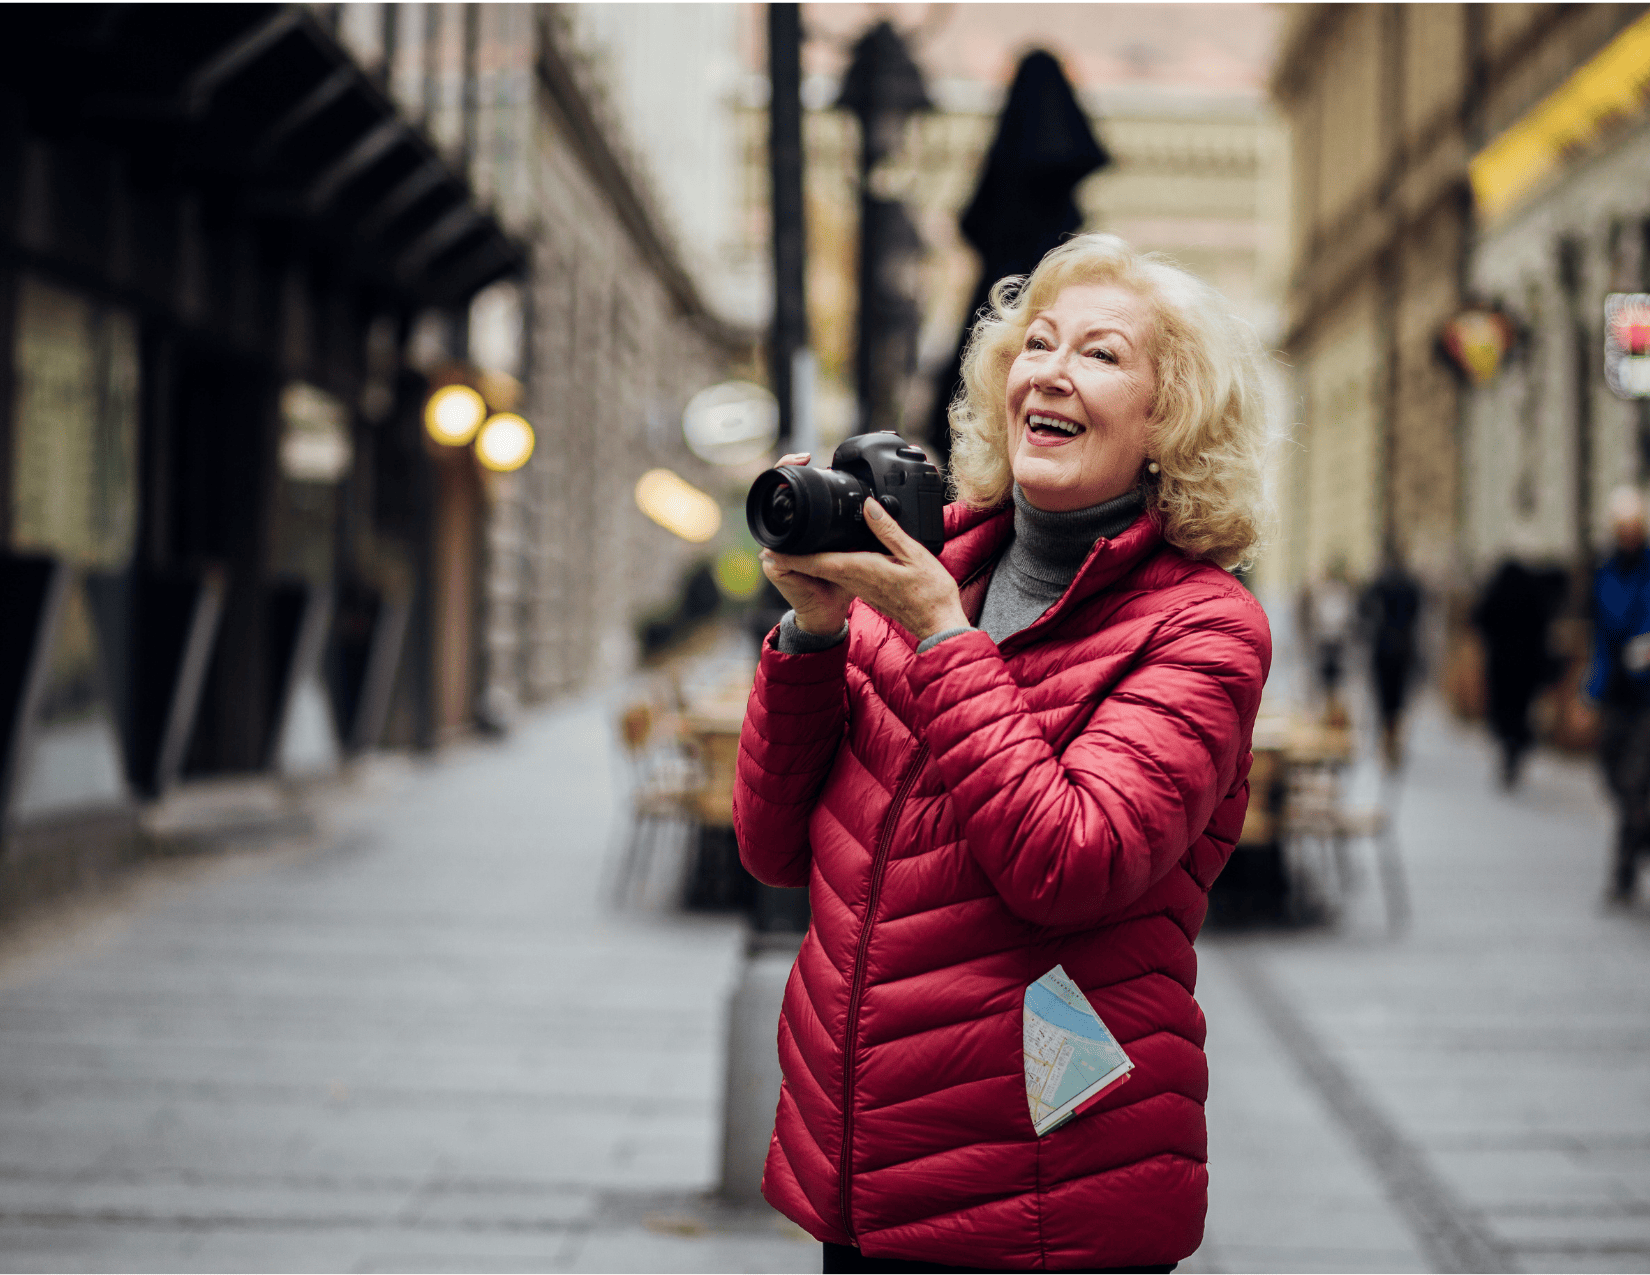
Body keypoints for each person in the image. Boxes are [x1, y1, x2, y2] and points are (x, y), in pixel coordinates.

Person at [733, 233, 1271, 1272]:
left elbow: (1070, 865)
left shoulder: (1203, 628)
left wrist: (943, 637)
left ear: (1173, 418)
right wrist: (812, 635)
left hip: (1041, 1189)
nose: (1052, 372)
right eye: (1038, 344)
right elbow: (773, 849)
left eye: (1103, 355)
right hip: (868, 1173)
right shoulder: (927, 572)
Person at [1588, 486, 1650, 902]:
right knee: (1610, 774)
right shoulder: (1606, 570)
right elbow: (1601, 637)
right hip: (1616, 691)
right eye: (1622, 527)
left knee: (1634, 781)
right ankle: (1637, 841)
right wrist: (1590, 692)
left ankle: (1623, 870)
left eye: (1635, 527)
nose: (1628, 533)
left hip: (1648, 694)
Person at [1472, 554, 1562, 788]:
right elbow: (1545, 627)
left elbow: (1479, 620)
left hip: (1501, 665)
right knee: (1519, 711)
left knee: (1504, 711)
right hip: (1527, 667)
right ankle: (1516, 746)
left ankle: (1511, 748)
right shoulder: (1534, 595)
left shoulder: (1497, 593)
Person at [1363, 545, 1424, 767]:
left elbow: (1364, 606)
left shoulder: (1381, 582)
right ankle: (1394, 736)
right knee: (1398, 697)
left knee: (1383, 695)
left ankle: (1386, 739)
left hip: (1383, 645)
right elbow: (1418, 613)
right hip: (1405, 647)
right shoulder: (1411, 584)